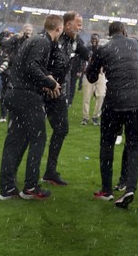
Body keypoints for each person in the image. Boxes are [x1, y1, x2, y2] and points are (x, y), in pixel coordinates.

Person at [0, 14, 63, 201]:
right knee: (38, 139)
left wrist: (45, 79)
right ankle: (30, 187)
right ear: (58, 29)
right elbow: (32, 66)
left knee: (14, 141)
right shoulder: (43, 42)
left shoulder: (34, 39)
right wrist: (49, 82)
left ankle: (7, 188)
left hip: (14, 92)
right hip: (26, 96)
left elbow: (28, 66)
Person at [85, 21, 138, 209]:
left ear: (109, 34)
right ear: (124, 31)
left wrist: (100, 65)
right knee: (135, 145)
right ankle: (130, 187)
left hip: (116, 102)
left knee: (107, 143)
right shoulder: (137, 44)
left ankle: (106, 190)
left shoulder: (104, 48)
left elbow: (91, 77)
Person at [41, 11, 89, 186]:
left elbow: (90, 55)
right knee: (33, 133)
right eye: (78, 23)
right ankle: (24, 176)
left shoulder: (75, 41)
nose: (81, 27)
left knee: (61, 129)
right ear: (67, 25)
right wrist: (47, 79)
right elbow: (38, 62)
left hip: (57, 92)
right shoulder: (51, 39)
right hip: (41, 91)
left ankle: (50, 171)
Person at [81, 32, 105, 126]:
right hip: (89, 73)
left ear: (99, 40)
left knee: (101, 95)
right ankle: (85, 117)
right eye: (93, 39)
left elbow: (106, 60)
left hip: (100, 74)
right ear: (90, 40)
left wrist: (104, 67)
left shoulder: (102, 50)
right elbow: (83, 59)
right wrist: (82, 68)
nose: (94, 41)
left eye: (96, 39)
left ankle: (95, 116)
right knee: (87, 96)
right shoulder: (87, 49)